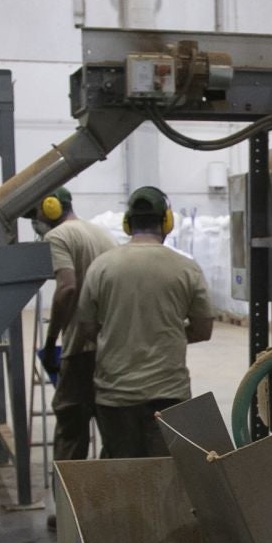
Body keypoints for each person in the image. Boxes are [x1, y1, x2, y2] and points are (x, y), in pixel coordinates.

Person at [74, 185, 215, 458]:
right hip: (168, 395)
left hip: (115, 396)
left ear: (127, 224)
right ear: (167, 223)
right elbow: (204, 328)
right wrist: (166, 333)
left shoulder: (101, 267)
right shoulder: (186, 268)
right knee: (165, 477)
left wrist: (120, 334)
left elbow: (86, 327)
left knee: (123, 475)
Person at [33, 187, 116, 465]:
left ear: (51, 207)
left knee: (71, 431)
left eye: (36, 213)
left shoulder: (57, 236)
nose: (36, 220)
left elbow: (67, 288)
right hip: (110, 348)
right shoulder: (100, 233)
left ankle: (69, 505)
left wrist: (50, 340)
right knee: (113, 432)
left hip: (80, 348)